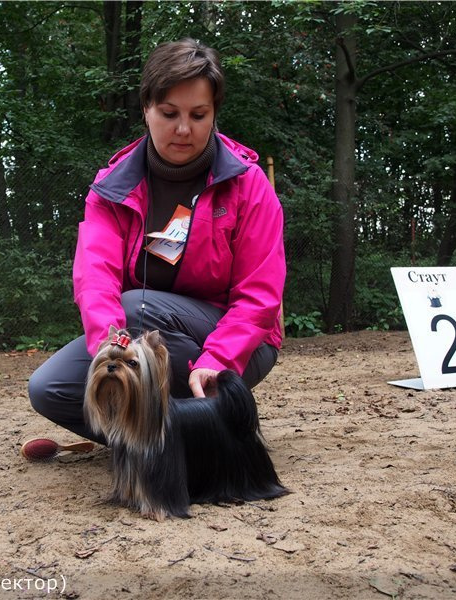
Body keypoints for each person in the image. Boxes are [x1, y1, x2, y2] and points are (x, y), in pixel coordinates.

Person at [28, 38, 285, 445]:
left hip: (237, 342)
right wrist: (108, 346)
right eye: (169, 113)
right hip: (139, 334)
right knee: (50, 388)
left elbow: (260, 296)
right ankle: (166, 443)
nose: (184, 129)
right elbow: (95, 278)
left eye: (199, 115)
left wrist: (218, 358)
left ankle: (189, 437)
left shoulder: (248, 185)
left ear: (214, 114)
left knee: (136, 307)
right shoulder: (111, 187)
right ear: (146, 108)